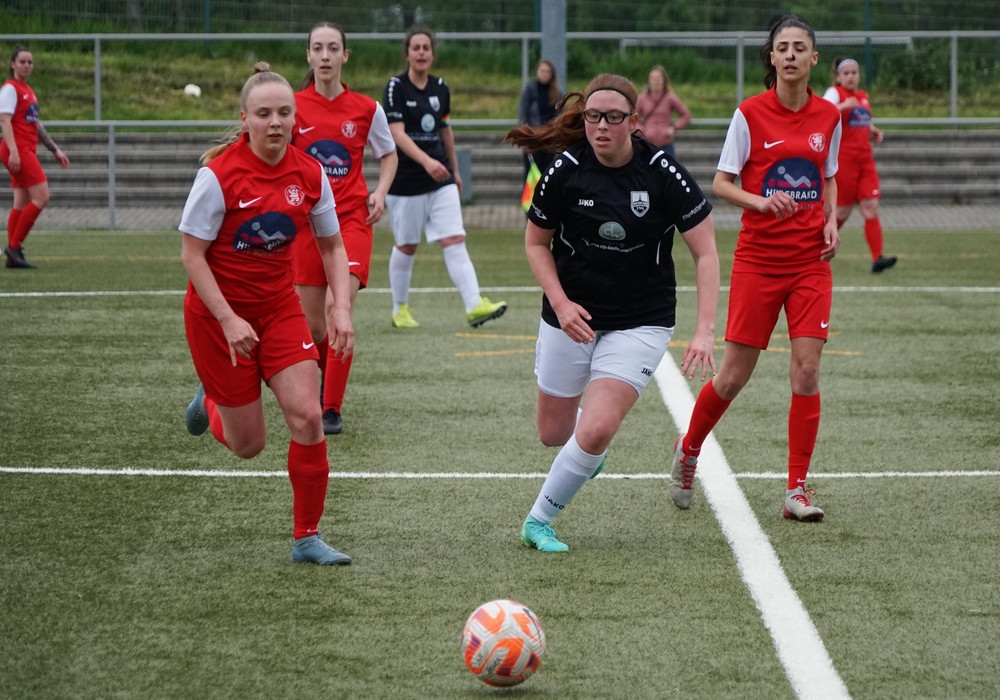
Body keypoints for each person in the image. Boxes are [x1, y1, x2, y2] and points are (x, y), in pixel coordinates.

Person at [504, 73, 720, 553]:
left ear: (634, 121)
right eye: (593, 117)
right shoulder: (565, 169)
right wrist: (561, 305)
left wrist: (705, 330)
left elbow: (706, 252)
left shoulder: (662, 171)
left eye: (614, 117)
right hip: (571, 313)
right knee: (553, 433)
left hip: (642, 316)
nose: (601, 126)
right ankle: (586, 448)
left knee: (597, 428)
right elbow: (536, 243)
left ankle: (538, 521)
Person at [179, 64, 355, 566]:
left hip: (279, 309)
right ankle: (212, 397)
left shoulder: (310, 173)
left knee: (307, 415)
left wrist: (341, 308)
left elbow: (332, 246)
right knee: (249, 445)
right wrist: (228, 320)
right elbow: (192, 256)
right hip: (217, 316)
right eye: (263, 114)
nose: (275, 122)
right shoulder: (218, 176)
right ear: (245, 118)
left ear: (296, 117)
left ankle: (307, 538)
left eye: (283, 112)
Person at [669, 14, 842, 522]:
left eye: (800, 47)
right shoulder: (749, 114)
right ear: (771, 57)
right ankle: (689, 448)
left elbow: (829, 177)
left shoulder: (828, 117)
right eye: (782, 47)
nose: (790, 55)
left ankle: (796, 490)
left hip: (811, 263)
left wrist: (831, 220)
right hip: (759, 262)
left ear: (814, 59)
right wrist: (760, 202)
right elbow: (721, 183)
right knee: (732, 377)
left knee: (807, 370)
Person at [291, 22, 398, 436]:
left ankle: (330, 408)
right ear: (308, 55)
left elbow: (388, 154)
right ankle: (322, 377)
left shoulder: (367, 109)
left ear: (344, 56)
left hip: (351, 220)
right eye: (317, 48)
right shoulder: (293, 107)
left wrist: (380, 192)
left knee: (340, 308)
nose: (325, 55)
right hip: (306, 225)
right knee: (314, 326)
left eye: (333, 48)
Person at [383, 26, 507, 330]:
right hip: (406, 181)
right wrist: (426, 162)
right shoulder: (395, 87)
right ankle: (400, 308)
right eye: (416, 48)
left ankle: (474, 305)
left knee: (454, 238)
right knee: (407, 245)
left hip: (440, 179)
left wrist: (454, 170)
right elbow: (396, 133)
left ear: (433, 54)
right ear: (407, 54)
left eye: (426, 47)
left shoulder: (441, 87)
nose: (421, 52)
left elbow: (444, 129)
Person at [823, 56, 897, 273]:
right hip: (844, 161)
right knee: (841, 213)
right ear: (838, 77)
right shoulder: (835, 93)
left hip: (865, 160)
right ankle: (817, 249)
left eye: (854, 73)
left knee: (870, 206)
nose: (850, 77)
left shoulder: (863, 97)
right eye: (845, 73)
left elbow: (862, 118)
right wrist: (843, 105)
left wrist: (873, 130)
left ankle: (877, 258)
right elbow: (821, 112)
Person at [1, 46, 70, 269]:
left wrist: (54, 149)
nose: (27, 66)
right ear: (12, 64)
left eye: (30, 62)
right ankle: (14, 247)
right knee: (42, 197)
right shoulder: (10, 88)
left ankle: (13, 255)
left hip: (23, 149)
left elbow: (35, 125)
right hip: (18, 149)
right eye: (22, 62)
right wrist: (13, 150)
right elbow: (4, 120)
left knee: (21, 201)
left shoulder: (28, 90)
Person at [517, 58, 562, 177]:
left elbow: (560, 116)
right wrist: (526, 138)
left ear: (552, 74)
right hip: (533, 138)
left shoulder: (557, 93)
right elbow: (523, 115)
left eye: (548, 71)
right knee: (532, 174)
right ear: (537, 71)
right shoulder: (530, 90)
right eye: (542, 71)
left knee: (548, 174)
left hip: (549, 139)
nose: (545, 74)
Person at [635, 65, 691, 159]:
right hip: (648, 143)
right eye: (653, 78)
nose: (655, 81)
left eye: (658, 78)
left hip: (666, 143)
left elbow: (686, 115)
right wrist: (641, 130)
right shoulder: (642, 98)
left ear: (664, 81)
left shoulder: (670, 98)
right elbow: (632, 118)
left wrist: (674, 128)